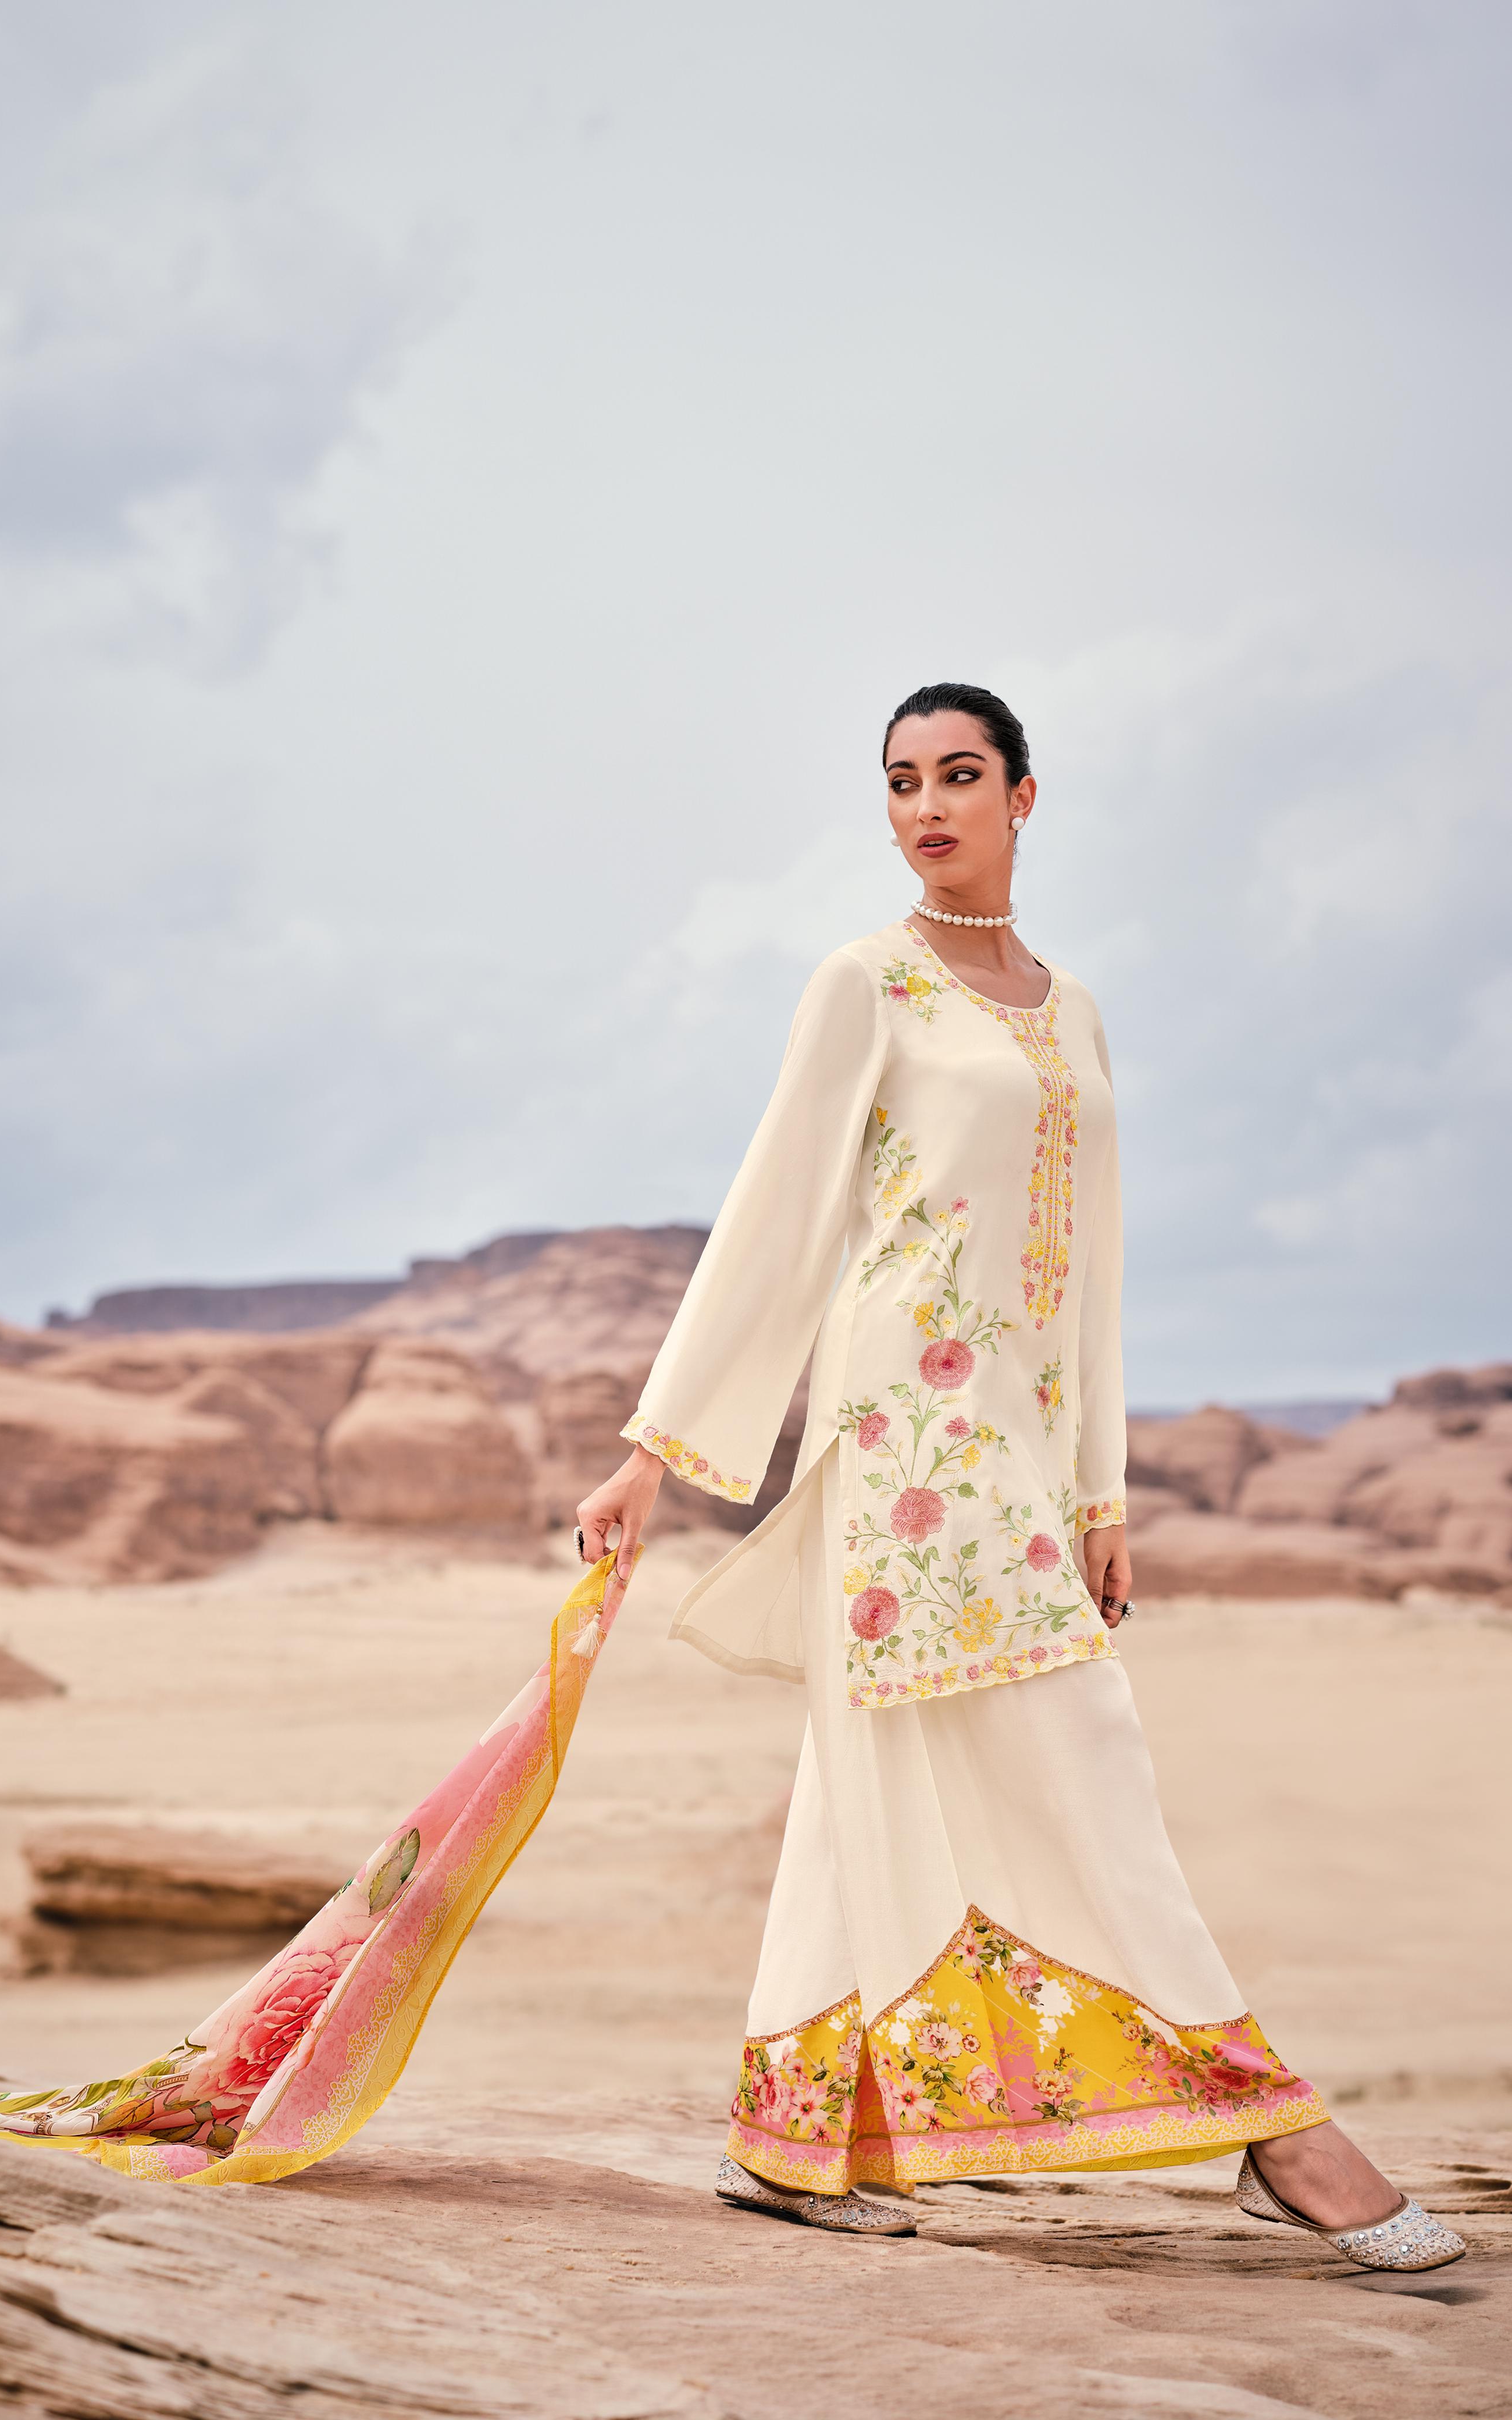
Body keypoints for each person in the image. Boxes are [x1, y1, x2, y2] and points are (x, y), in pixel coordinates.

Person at [576, 682, 1463, 2270]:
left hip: (1022, 1448)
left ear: (1023, 796)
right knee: (1084, 1748)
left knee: (862, 1779)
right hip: (908, 1439)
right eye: (900, 781)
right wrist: (655, 1453)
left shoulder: (1076, 1008)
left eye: (959, 775)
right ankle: (1276, 2132)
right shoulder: (865, 982)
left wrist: (1099, 1493)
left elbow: (1094, 1271)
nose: (926, 807)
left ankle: (789, 2138)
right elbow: (775, 1215)